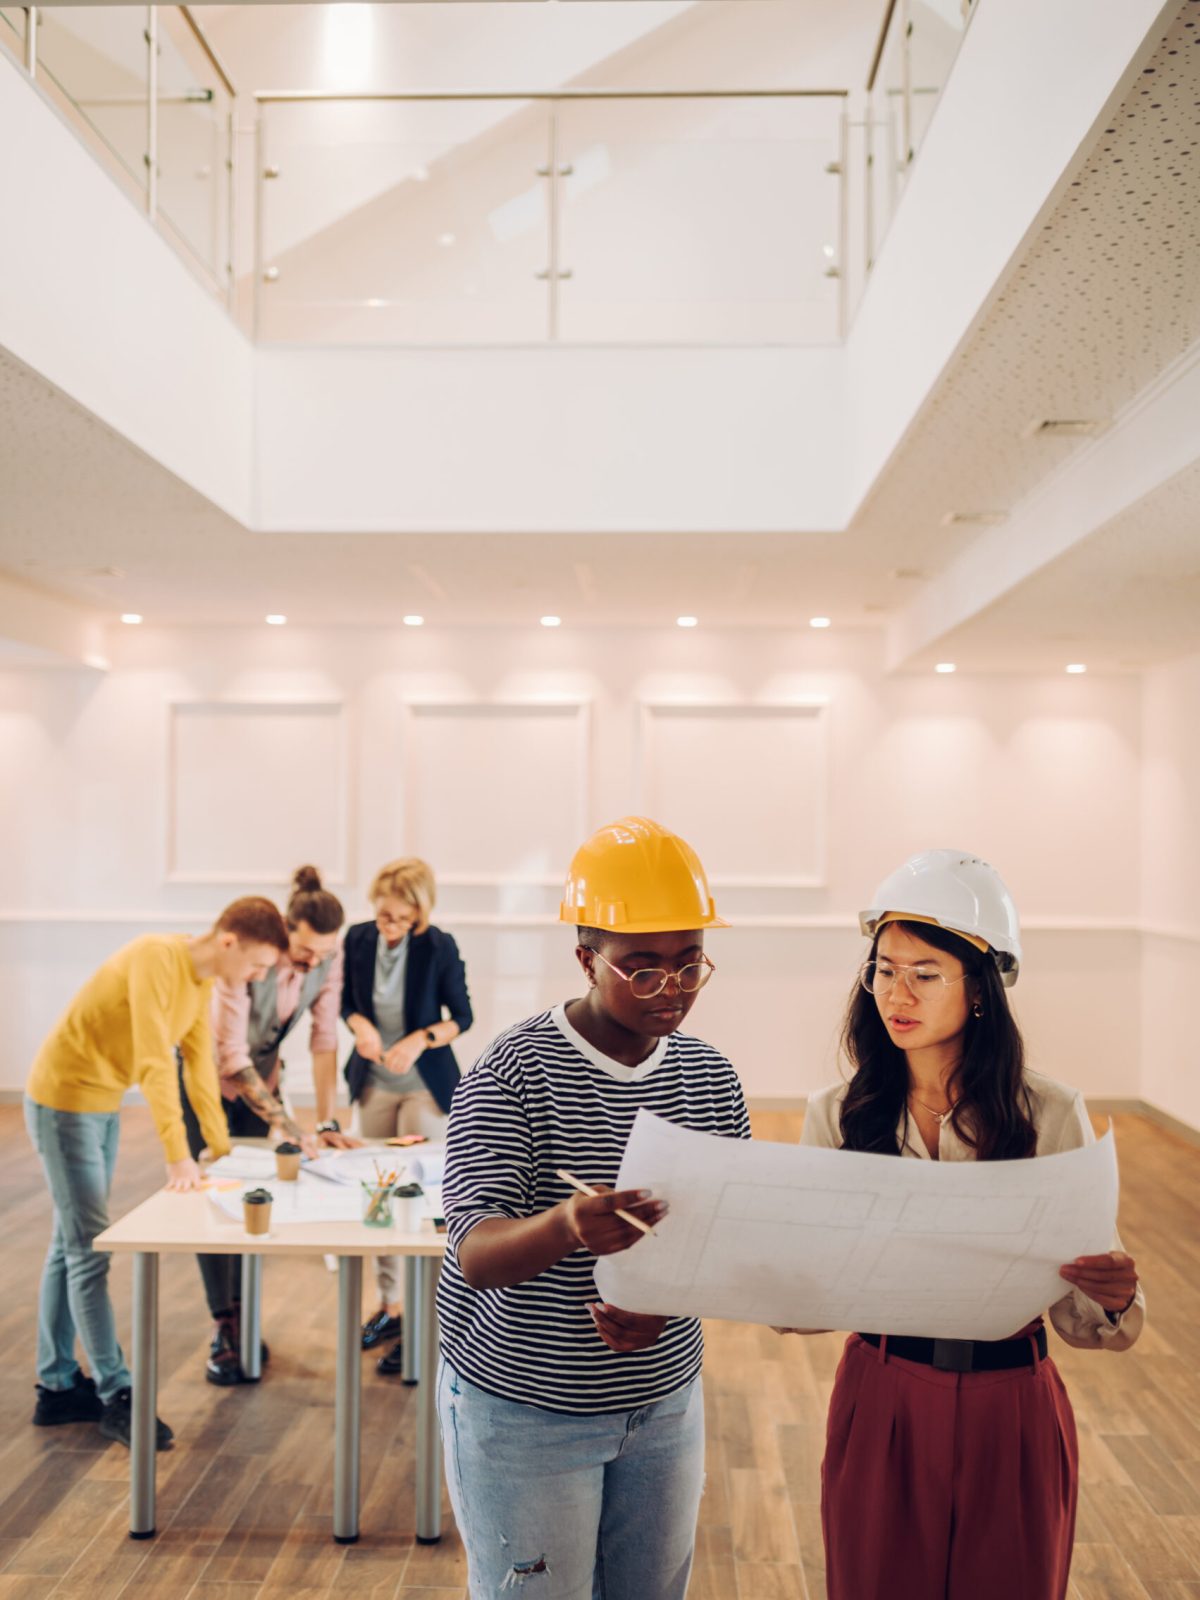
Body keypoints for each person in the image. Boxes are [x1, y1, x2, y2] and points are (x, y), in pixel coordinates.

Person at [790, 849, 1145, 1600]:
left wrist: (1112, 1294)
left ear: (980, 990)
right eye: (883, 968)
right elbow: (804, 1303)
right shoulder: (836, 1113)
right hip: (880, 1395)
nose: (897, 992)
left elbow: (1087, 1321)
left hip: (1012, 1407)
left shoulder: (1048, 1113)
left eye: (925, 973)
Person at [436, 816, 750, 1600]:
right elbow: (472, 1251)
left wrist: (668, 1305)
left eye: (689, 966)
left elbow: (728, 1243)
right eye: (642, 970)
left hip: (663, 1403)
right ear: (585, 959)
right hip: (523, 1412)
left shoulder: (711, 1078)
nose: (670, 990)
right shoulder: (513, 1071)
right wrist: (567, 1225)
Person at [24, 898, 289, 1449]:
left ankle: (55, 1386)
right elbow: (151, 1061)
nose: (259, 977)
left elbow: (197, 1067)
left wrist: (220, 1148)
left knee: (68, 1241)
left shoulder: (199, 985)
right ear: (228, 942)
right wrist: (177, 1155)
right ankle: (117, 1395)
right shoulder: (154, 958)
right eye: (259, 964)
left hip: (98, 1104)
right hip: (63, 1101)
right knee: (88, 1249)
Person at [183, 864, 361, 1386]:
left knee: (253, 1195)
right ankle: (225, 1325)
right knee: (213, 1196)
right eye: (305, 953)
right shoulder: (249, 963)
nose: (314, 963)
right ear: (285, 933)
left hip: (262, 1081)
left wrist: (325, 1121)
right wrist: (289, 1124)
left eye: (324, 955)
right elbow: (230, 1056)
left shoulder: (328, 955)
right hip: (206, 1088)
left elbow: (325, 1039)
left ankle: (246, 1317)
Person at [342, 857, 472, 1373]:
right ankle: (391, 1308)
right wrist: (361, 1027)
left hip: (423, 1084)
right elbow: (347, 1004)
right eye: (381, 915)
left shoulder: (439, 946)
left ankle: (427, 1321)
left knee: (416, 1197)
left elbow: (462, 1017)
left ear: (419, 911)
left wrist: (419, 1039)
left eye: (397, 917)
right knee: (379, 1195)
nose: (387, 925)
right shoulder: (356, 940)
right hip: (374, 1080)